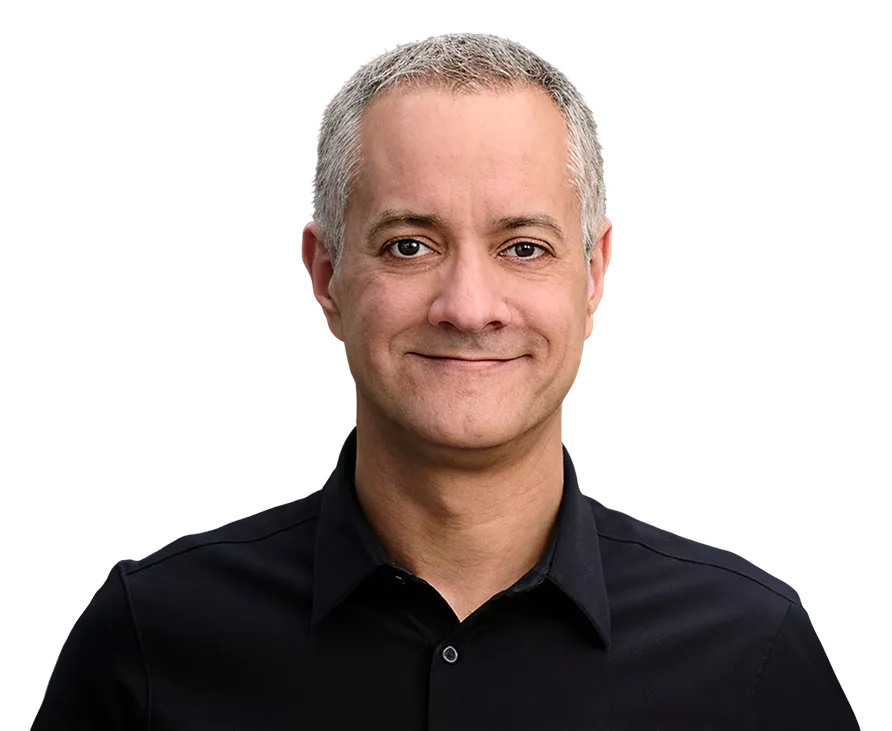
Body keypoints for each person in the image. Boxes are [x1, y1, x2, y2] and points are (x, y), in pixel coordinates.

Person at [33, 31, 860, 730]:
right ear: (325, 276)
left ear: (595, 275)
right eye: (409, 245)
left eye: (523, 247)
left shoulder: (752, 657)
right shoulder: (149, 642)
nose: (469, 306)